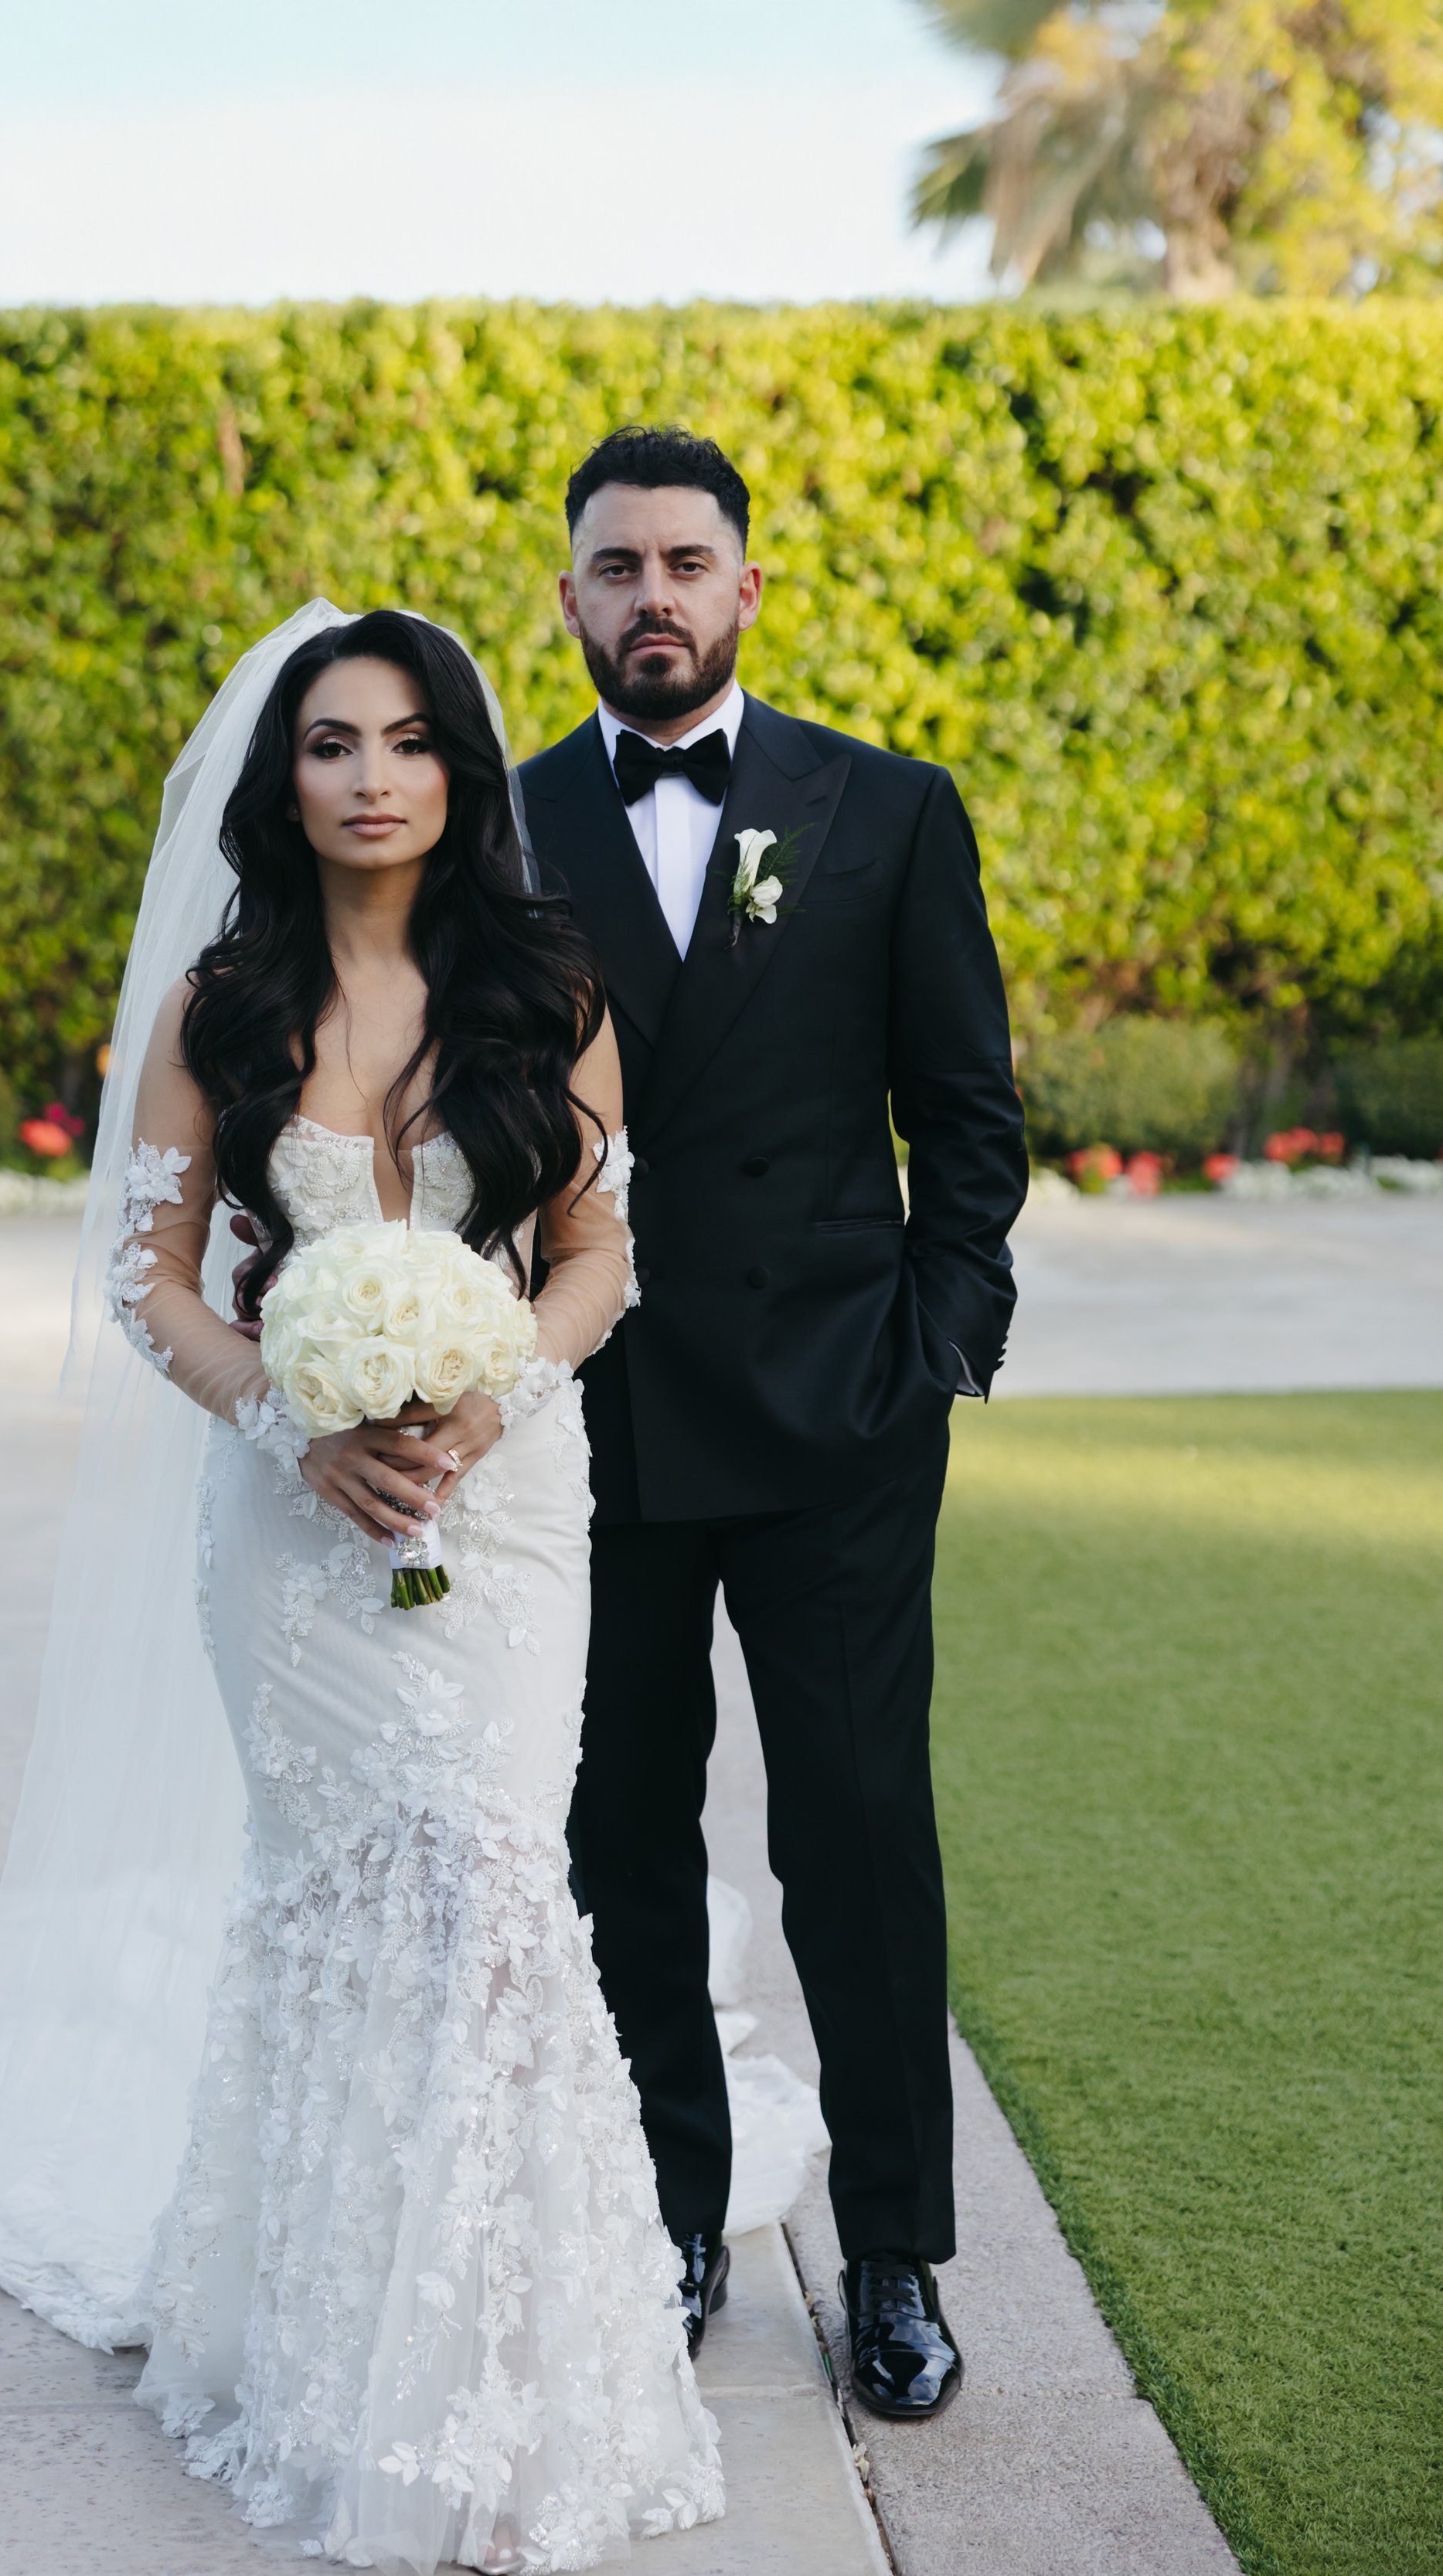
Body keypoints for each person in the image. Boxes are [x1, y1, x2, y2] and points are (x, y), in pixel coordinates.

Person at [0, 605, 721, 2576]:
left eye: (404, 740)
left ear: (459, 770)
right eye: (327, 742)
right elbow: (144, 1280)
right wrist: (291, 1426)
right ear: (278, 777)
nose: (369, 774)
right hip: (289, 1530)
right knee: (341, 1904)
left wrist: (488, 1395)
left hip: (504, 1512)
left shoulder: (544, 987)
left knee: (485, 1888)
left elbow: (595, 1253)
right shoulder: (222, 1001)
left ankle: (501, 2363)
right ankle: (324, 2348)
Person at [517, 430, 1028, 2416]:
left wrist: (938, 1345)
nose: (652, 593)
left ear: (747, 587)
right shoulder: (497, 821)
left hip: (835, 1416)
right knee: (617, 1832)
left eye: (684, 562)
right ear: (563, 599)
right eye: (614, 565)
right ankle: (667, 2210)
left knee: (855, 1835)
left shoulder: (881, 806)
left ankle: (893, 2248)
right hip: (596, 1418)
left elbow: (963, 1109)